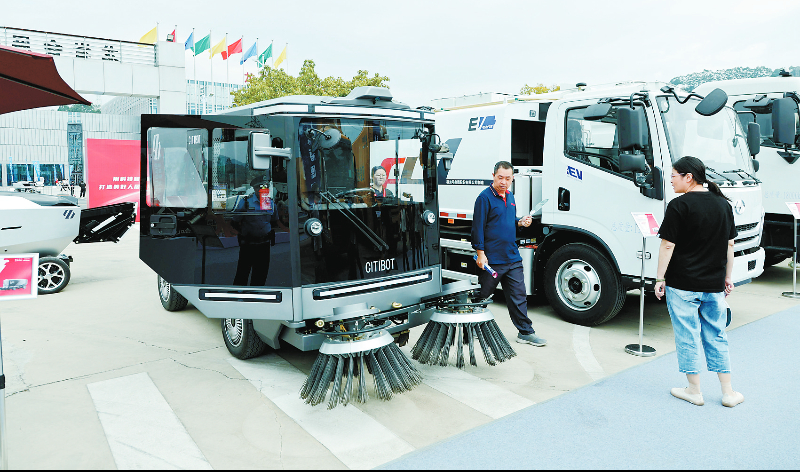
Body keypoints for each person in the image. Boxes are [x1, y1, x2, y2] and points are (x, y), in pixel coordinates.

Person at [654, 156, 743, 408]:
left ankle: (694, 390)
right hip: (714, 284)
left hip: (682, 283)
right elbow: (730, 245)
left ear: (688, 177)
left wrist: (660, 278)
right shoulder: (723, 205)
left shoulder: (679, 205)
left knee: (687, 335)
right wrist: (727, 277)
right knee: (717, 335)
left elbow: (667, 245)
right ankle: (728, 392)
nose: (671, 181)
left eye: (674, 176)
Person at [472, 161, 546, 346]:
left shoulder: (511, 196)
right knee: (483, 295)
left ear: (512, 178)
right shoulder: (484, 198)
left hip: (512, 257)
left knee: (518, 296)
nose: (503, 182)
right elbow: (477, 228)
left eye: (507, 178)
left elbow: (507, 220)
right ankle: (472, 326)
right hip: (492, 259)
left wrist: (520, 222)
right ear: (493, 176)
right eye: (500, 178)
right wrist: (480, 253)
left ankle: (526, 332)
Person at [232, 176, 279, 286]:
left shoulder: (270, 203)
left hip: (264, 245)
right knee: (242, 274)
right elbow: (234, 222)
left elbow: (274, 221)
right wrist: (243, 233)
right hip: (248, 244)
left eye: (265, 187)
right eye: (259, 187)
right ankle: (238, 295)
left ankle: (257, 294)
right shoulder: (245, 202)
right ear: (254, 188)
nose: (262, 189)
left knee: (261, 275)